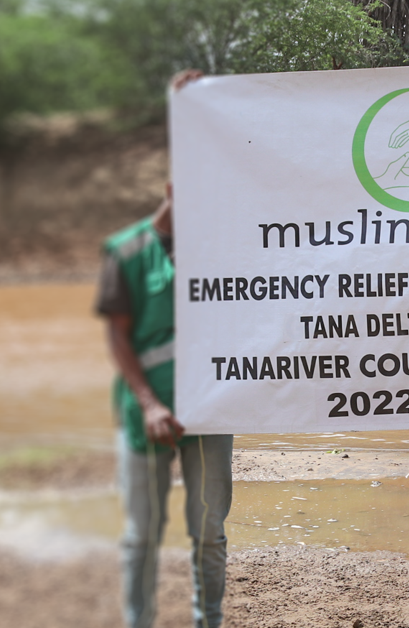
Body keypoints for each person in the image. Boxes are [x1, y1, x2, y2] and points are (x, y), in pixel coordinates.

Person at [97, 69, 234, 628]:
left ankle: (210, 621)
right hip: (145, 414)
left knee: (208, 533)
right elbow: (117, 334)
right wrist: (150, 403)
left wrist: (198, 108)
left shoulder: (223, 249)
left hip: (210, 412)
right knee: (142, 536)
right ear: (172, 191)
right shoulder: (126, 252)